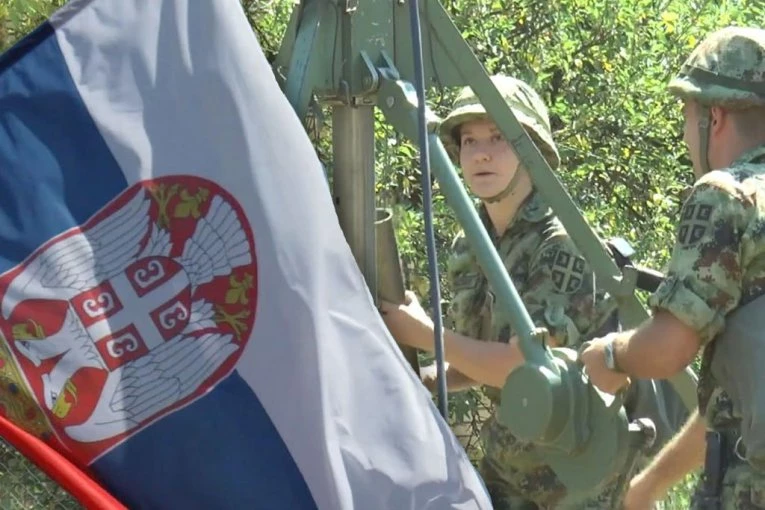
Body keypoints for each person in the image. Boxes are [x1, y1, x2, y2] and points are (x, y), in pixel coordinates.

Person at [381, 74, 687, 509]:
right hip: (511, 470)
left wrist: (425, 334)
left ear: (533, 151)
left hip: (580, 479)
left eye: (499, 137)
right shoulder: (471, 243)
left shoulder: (562, 244)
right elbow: (482, 357)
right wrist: (427, 378)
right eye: (469, 140)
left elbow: (523, 366)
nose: (481, 153)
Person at [579, 26, 765, 509]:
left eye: (687, 117)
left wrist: (609, 355)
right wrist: (650, 485)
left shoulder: (726, 195)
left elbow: (667, 350)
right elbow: (739, 395)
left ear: (714, 118)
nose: (686, 135)